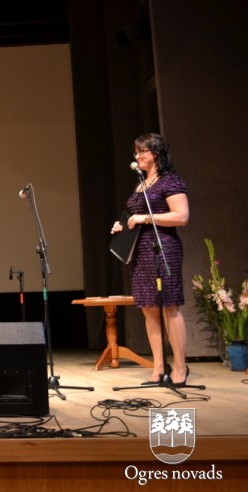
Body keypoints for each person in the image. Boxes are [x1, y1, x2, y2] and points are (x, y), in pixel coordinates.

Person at [110, 133, 190, 386]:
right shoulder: (141, 184)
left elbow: (181, 216)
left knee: (169, 306)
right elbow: (133, 216)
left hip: (163, 248)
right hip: (140, 252)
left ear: (155, 153)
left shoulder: (170, 181)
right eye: (135, 152)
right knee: (149, 309)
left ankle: (180, 367)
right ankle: (158, 367)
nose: (137, 156)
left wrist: (145, 218)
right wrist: (122, 226)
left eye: (142, 151)